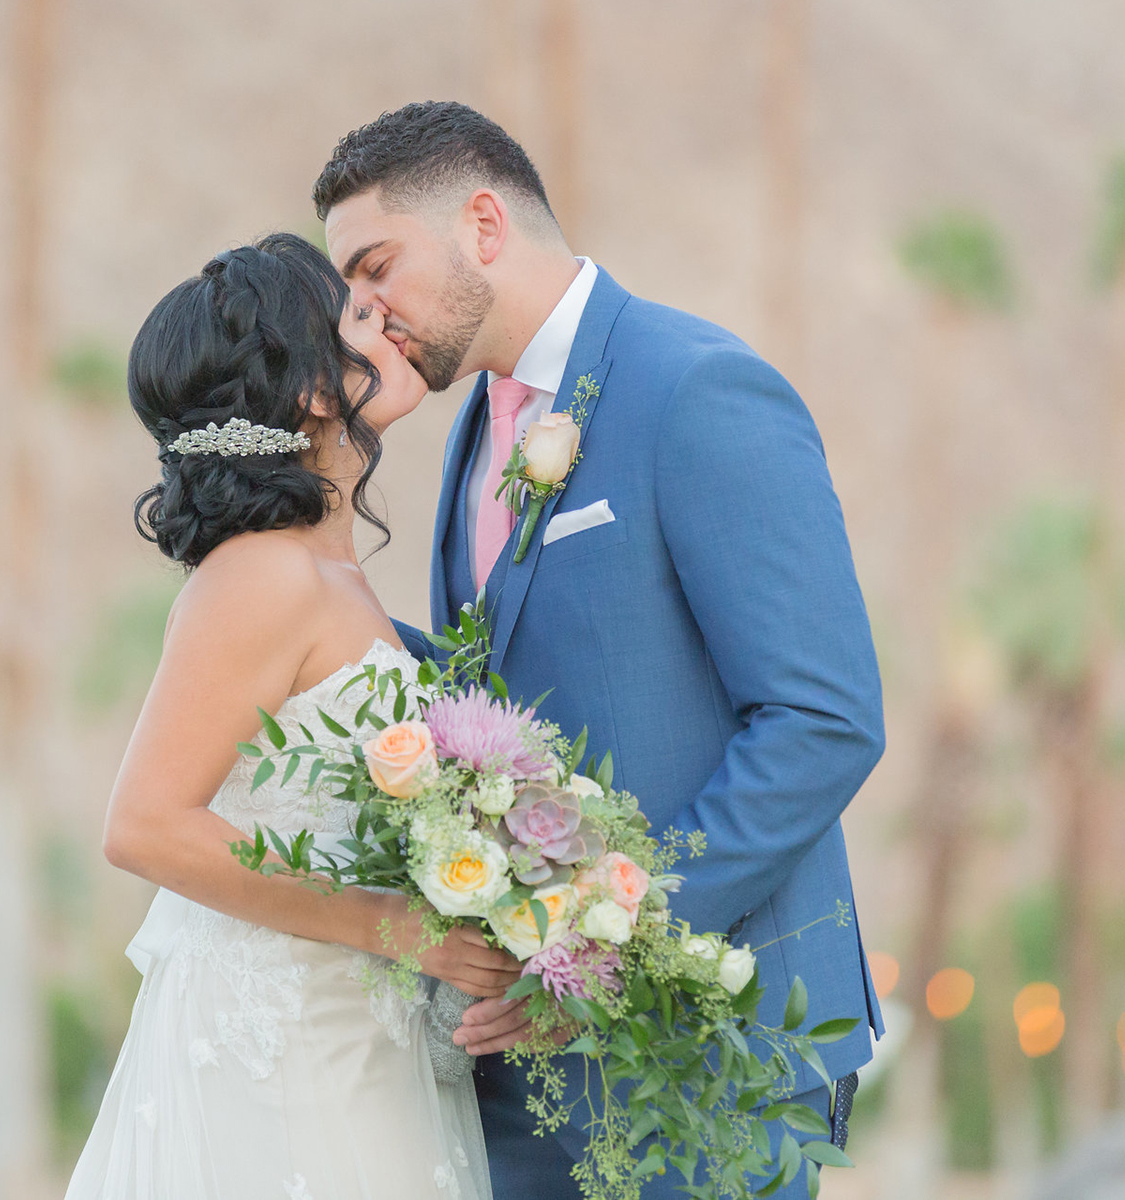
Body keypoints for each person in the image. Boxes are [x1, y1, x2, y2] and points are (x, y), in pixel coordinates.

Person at [316, 101, 886, 1200]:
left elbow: (824, 720)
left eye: (377, 269)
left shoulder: (697, 388)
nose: (365, 315)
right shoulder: (477, 426)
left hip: (713, 1054)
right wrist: (307, 596)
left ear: (484, 224)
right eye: (352, 292)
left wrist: (609, 951)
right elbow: (497, 694)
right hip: (530, 1069)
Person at [65, 232, 504, 1200]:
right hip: (285, 1046)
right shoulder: (262, 574)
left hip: (360, 1032)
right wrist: (399, 928)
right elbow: (145, 825)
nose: (388, 322)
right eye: (359, 317)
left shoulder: (328, 572)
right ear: (311, 390)